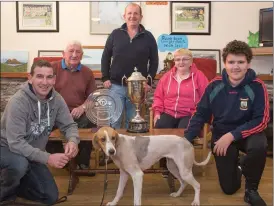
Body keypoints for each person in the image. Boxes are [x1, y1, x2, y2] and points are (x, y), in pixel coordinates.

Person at [184, 40, 269, 206]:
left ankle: (251, 191)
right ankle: (238, 167)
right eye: (231, 62)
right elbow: (200, 114)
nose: (235, 67)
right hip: (221, 136)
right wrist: (186, 139)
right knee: (229, 188)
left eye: (240, 62)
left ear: (248, 64)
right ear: (225, 63)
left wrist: (232, 135)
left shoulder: (257, 86)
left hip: (248, 133)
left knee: (259, 145)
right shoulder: (214, 86)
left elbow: (262, 120)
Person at [0, 60, 80, 205]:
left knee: (49, 196)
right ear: (30, 78)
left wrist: (73, 140)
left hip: (32, 153)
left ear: (54, 79)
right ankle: (4, 196)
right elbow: (16, 143)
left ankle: (16, 183)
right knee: (18, 164)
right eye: (39, 76)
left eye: (49, 77)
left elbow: (69, 125)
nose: (45, 82)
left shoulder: (57, 99)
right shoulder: (18, 102)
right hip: (7, 149)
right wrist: (48, 158)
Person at [101, 3, 159, 129]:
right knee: (113, 122)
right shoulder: (115, 34)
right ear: (124, 16)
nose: (132, 16)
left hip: (138, 88)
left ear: (141, 17)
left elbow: (154, 61)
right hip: (116, 86)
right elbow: (105, 57)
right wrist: (105, 77)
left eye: (136, 13)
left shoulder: (148, 37)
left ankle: (131, 149)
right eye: (129, 13)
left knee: (133, 123)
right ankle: (114, 149)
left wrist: (149, 81)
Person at [48, 40, 97, 170]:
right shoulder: (52, 68)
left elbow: (92, 98)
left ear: (82, 55)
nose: (74, 54)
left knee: (91, 120)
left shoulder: (87, 72)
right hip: (54, 112)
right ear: (63, 53)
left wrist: (82, 107)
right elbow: (42, 90)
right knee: (43, 124)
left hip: (77, 113)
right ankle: (62, 160)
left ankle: (83, 163)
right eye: (71, 51)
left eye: (78, 52)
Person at [152, 48, 209, 129]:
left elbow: (206, 98)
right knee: (161, 126)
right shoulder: (167, 76)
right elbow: (158, 97)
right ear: (174, 62)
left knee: (184, 131)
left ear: (191, 61)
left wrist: (200, 114)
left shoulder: (199, 76)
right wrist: (157, 112)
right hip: (169, 112)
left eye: (185, 59)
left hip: (190, 114)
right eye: (178, 60)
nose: (181, 62)